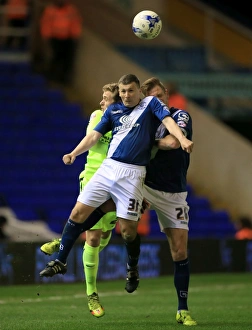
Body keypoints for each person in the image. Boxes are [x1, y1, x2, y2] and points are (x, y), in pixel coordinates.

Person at [39, 74, 193, 298]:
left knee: (129, 232)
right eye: (123, 92)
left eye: (131, 91)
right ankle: (60, 260)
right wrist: (73, 153)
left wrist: (183, 138)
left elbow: (169, 122)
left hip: (132, 175)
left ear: (139, 92)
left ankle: (132, 268)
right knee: (77, 213)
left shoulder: (150, 105)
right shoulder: (113, 112)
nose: (127, 95)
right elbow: (94, 136)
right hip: (108, 169)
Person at [41, 83, 120, 318]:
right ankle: (91, 294)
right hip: (93, 179)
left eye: (106, 99)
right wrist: (74, 153)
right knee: (94, 238)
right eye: (102, 97)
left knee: (105, 238)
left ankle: (65, 237)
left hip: (116, 184)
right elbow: (92, 138)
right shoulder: (98, 115)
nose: (101, 102)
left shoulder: (128, 121)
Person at [140, 77, 197, 326]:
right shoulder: (144, 120)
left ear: (166, 93)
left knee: (180, 250)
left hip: (173, 192)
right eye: (151, 98)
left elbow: (174, 142)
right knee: (109, 207)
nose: (157, 101)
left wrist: (149, 143)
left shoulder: (180, 116)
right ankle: (67, 239)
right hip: (144, 185)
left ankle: (182, 309)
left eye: (159, 96)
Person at [39, 0, 82, 84]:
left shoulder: (71, 10)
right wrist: (46, 36)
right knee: (55, 58)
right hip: (54, 38)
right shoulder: (50, 10)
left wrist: (75, 35)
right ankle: (51, 77)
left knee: (67, 60)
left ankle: (63, 79)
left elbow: (75, 23)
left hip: (68, 39)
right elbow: (46, 23)